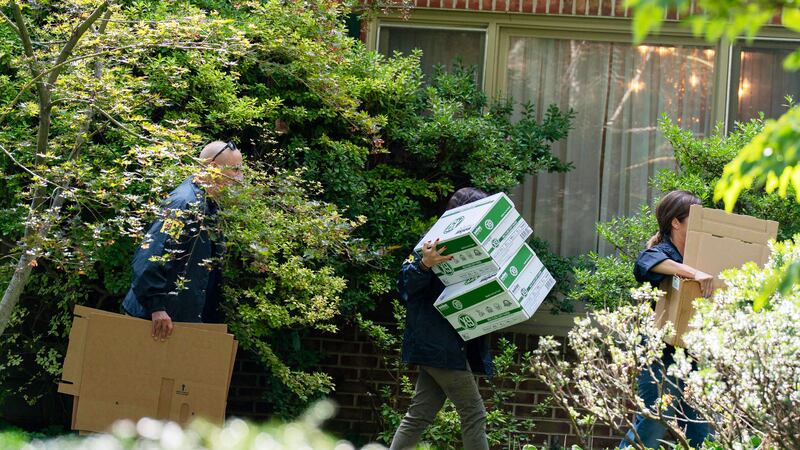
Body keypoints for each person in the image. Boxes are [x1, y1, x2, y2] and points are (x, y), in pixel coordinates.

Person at [390, 187, 493, 450]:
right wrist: (424, 264)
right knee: (474, 412)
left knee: (419, 415)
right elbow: (405, 286)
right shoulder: (431, 244)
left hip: (449, 344)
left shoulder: (473, 243)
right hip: (438, 345)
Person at [122, 140, 243, 341]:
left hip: (181, 322)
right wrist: (156, 307)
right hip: (154, 321)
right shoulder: (184, 203)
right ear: (213, 168)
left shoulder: (210, 205)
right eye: (235, 169)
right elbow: (151, 255)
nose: (240, 177)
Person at [620, 190, 713, 448]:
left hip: (692, 352)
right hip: (659, 352)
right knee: (655, 421)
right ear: (676, 222)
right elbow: (645, 262)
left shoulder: (697, 255)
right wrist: (693, 273)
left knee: (700, 428)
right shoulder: (663, 251)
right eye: (695, 217)